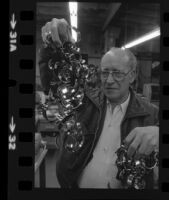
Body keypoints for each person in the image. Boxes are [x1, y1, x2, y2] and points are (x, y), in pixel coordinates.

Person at [38, 18, 159, 189]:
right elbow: (53, 82)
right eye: (105, 73)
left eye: (117, 73)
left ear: (132, 76)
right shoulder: (85, 100)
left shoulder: (151, 113)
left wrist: (159, 133)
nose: (109, 80)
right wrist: (50, 46)